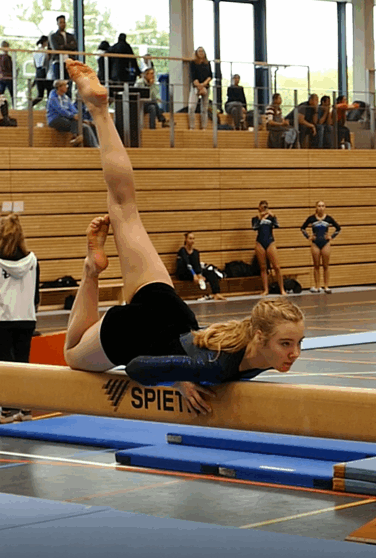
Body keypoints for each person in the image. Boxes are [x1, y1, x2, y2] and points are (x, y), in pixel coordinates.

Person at [62, 59, 305, 415]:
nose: (294, 353)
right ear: (260, 337)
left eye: (298, 343)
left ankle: (99, 110)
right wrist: (180, 378)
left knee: (125, 206)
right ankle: (91, 270)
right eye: (286, 344)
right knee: (71, 355)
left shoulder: (246, 345)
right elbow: (137, 368)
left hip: (171, 312)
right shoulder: (214, 366)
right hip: (137, 334)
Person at [0, 214, 40, 424]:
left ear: (0, 235)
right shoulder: (32, 261)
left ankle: (6, 412)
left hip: (1, 319)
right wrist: (31, 312)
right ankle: (26, 409)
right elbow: (36, 294)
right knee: (23, 364)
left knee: (5, 367)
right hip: (26, 318)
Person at [300, 201, 341, 294]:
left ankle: (326, 286)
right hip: (315, 243)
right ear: (316, 207)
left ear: (325, 207)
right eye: (319, 206)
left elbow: (338, 228)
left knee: (326, 266)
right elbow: (302, 228)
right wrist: (309, 237)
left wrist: (331, 237)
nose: (321, 208)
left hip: (325, 243)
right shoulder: (311, 218)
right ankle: (317, 286)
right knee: (316, 265)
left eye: (323, 206)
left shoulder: (328, 218)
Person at [46, 79, 98, 148]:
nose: (67, 87)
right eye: (65, 85)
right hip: (55, 119)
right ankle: (75, 136)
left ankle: (94, 146)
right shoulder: (53, 98)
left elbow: (72, 108)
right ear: (59, 87)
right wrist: (72, 116)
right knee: (75, 122)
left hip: (67, 119)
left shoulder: (66, 98)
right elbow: (60, 110)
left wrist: (77, 115)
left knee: (86, 127)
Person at [176, 232, 226, 301]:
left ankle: (216, 293)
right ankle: (200, 281)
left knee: (210, 273)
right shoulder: (182, 251)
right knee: (191, 272)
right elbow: (187, 264)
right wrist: (194, 275)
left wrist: (200, 274)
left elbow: (197, 265)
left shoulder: (195, 252)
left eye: (193, 238)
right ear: (186, 239)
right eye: (190, 238)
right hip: (184, 272)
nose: (192, 240)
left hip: (194, 272)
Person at [252, 201, 286, 297]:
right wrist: (260, 217)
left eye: (265, 207)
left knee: (277, 267)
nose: (264, 209)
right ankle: (266, 289)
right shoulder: (255, 218)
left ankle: (282, 289)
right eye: (262, 207)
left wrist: (274, 216)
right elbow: (254, 227)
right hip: (260, 242)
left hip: (270, 242)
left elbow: (277, 225)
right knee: (263, 267)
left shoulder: (271, 217)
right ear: (259, 208)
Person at [49, 15, 77, 97]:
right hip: (58, 62)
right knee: (59, 84)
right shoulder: (54, 36)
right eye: (60, 22)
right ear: (57, 23)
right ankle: (58, 101)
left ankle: (68, 101)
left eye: (64, 22)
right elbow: (56, 48)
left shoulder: (70, 36)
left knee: (69, 84)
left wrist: (63, 46)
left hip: (69, 62)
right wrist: (68, 46)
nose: (62, 24)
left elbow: (75, 46)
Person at [188, 47, 212, 130]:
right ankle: (192, 126)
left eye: (202, 51)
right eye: (199, 51)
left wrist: (204, 84)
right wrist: (199, 86)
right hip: (195, 86)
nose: (201, 53)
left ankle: (204, 127)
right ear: (196, 53)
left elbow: (210, 76)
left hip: (206, 86)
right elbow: (193, 76)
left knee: (204, 108)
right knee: (191, 107)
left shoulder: (207, 63)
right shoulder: (193, 63)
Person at [32, 36, 53, 107]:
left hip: (38, 72)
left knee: (40, 95)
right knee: (50, 91)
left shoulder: (35, 52)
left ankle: (29, 106)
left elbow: (35, 64)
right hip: (44, 71)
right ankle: (49, 108)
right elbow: (46, 62)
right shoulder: (45, 52)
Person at [0, 41, 13, 106]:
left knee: (0, 94)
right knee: (12, 94)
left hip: (1, 77)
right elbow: (10, 67)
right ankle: (12, 106)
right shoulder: (7, 57)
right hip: (8, 77)